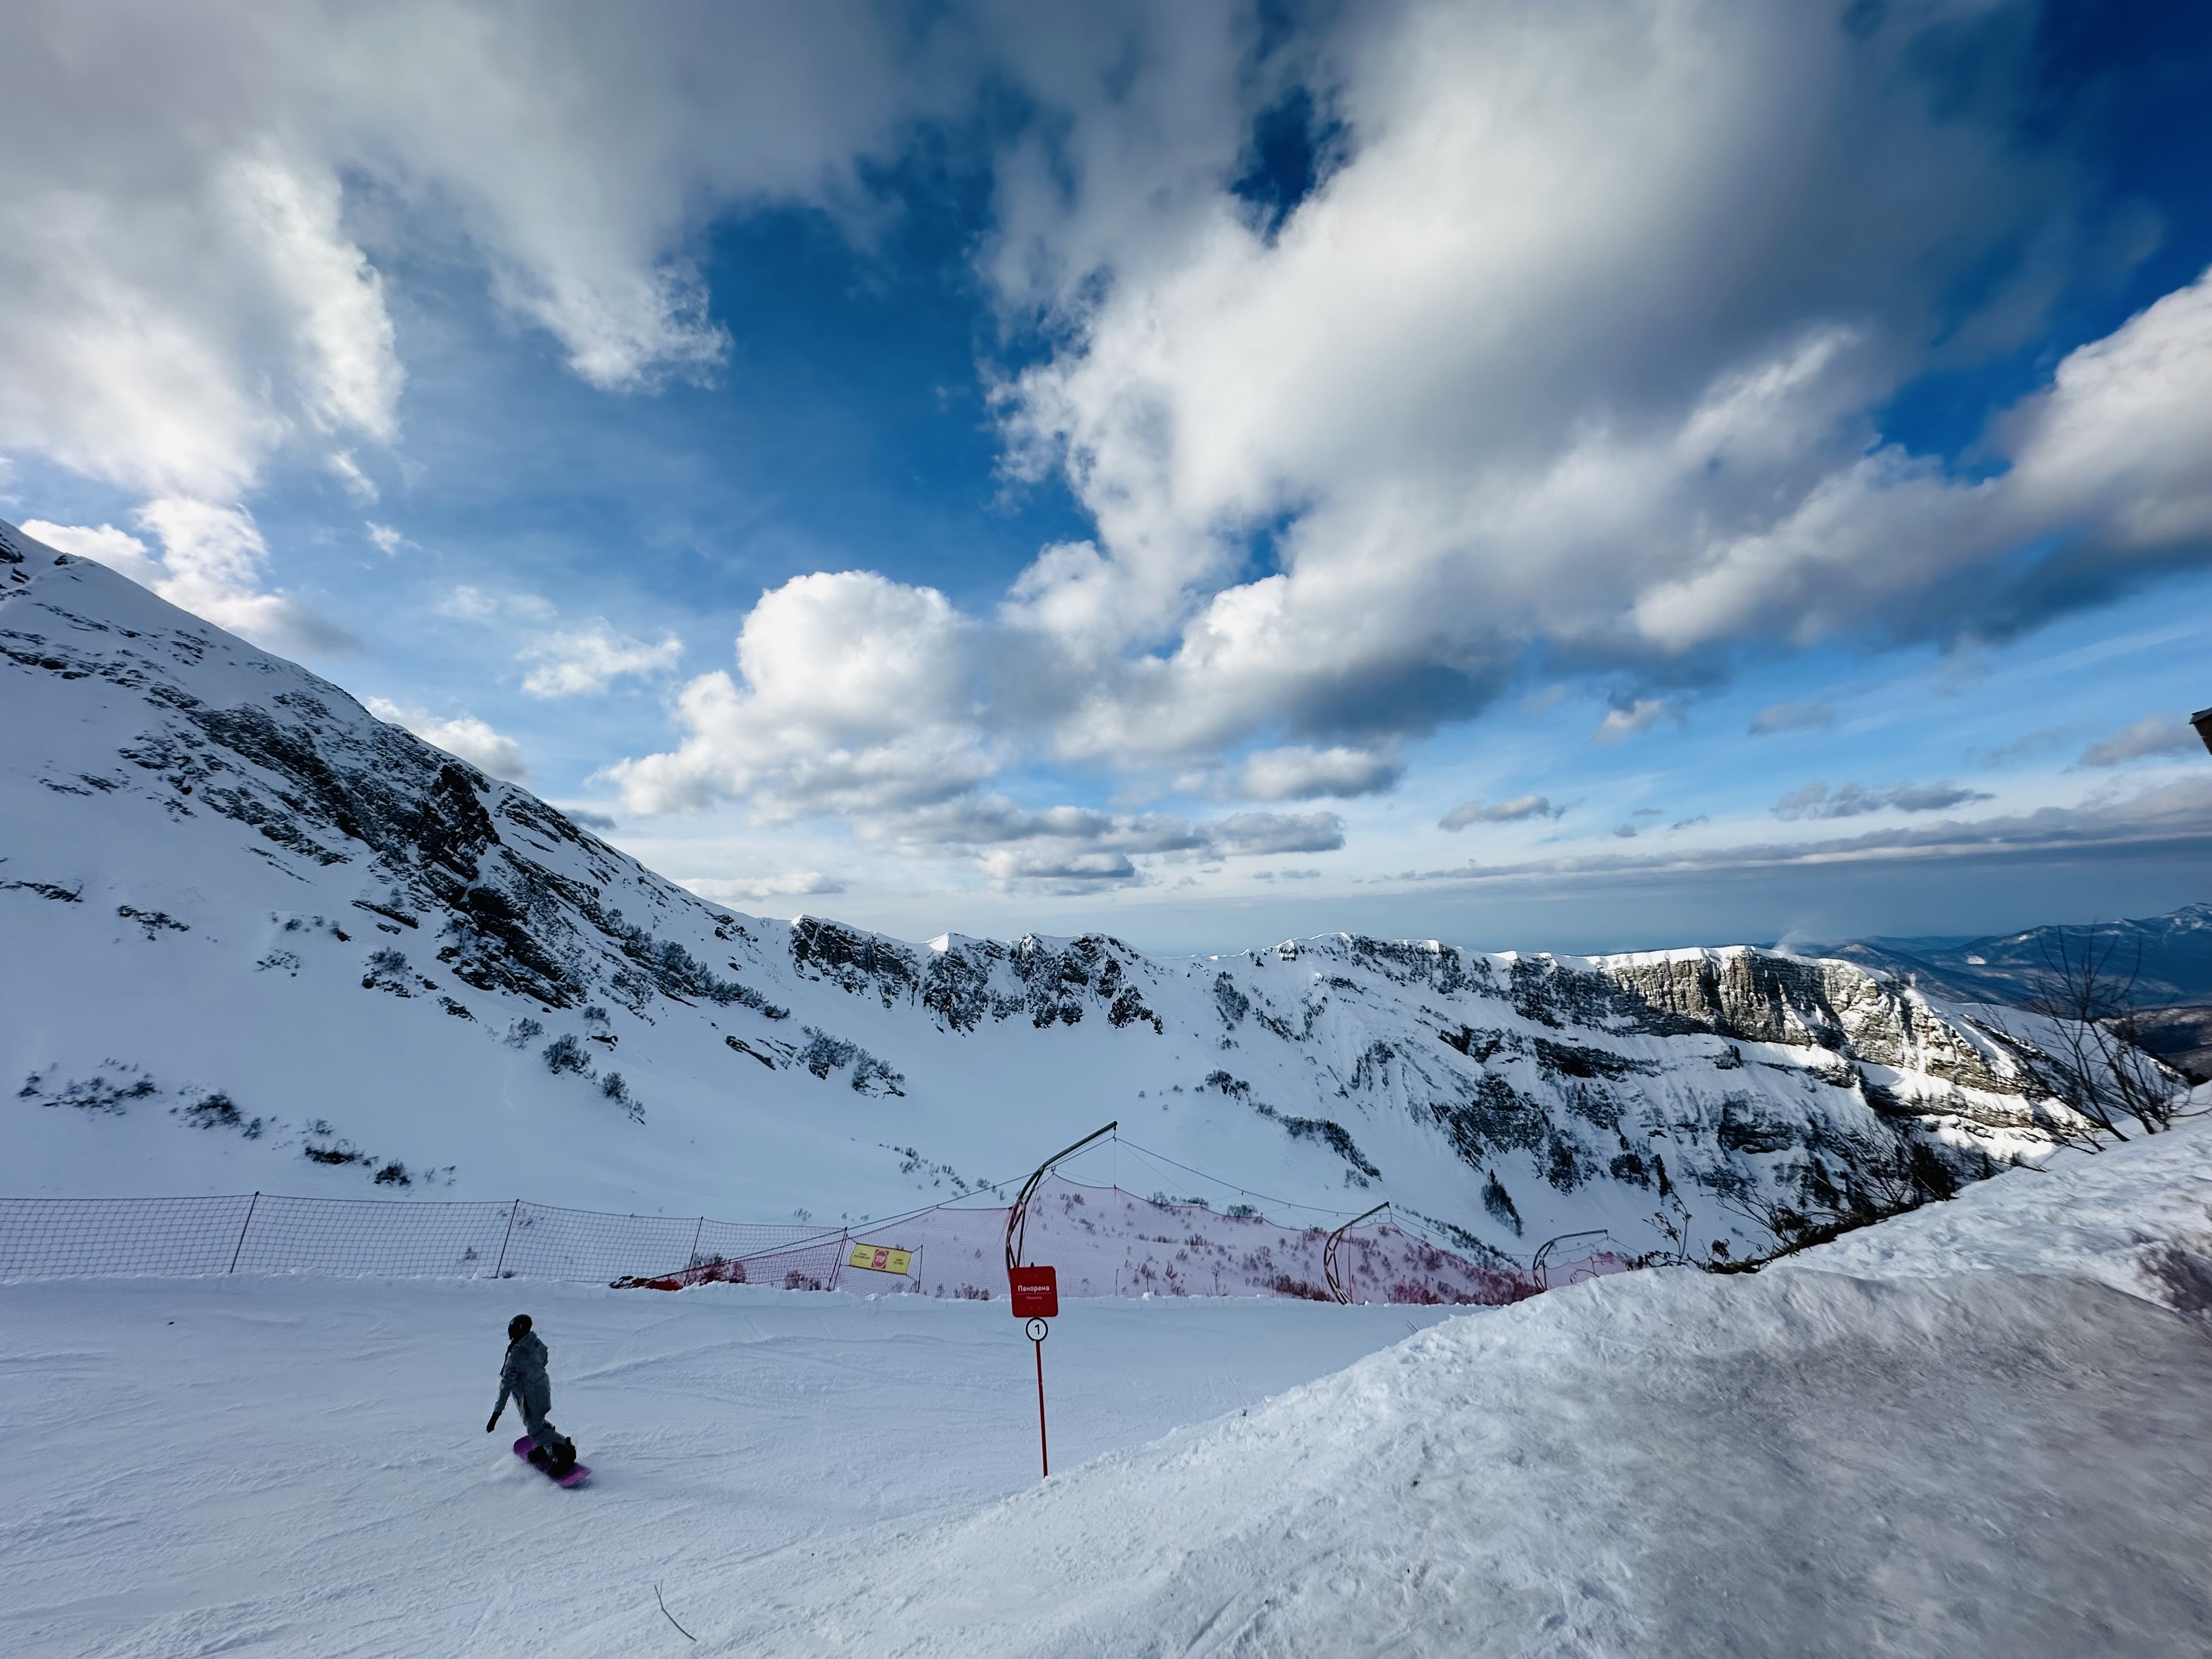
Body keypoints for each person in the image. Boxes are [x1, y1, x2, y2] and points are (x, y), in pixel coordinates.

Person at [486, 1313, 577, 1474]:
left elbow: (506, 1385)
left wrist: (496, 1413)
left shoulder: (516, 1356)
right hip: (542, 1389)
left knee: (535, 1430)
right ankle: (546, 1446)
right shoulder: (535, 1342)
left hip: (530, 1397)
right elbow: (544, 1358)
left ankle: (564, 1452)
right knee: (535, 1422)